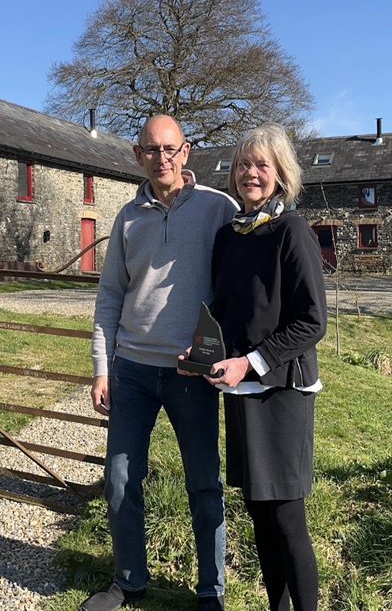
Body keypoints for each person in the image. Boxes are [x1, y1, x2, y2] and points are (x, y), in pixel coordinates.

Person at [84, 114, 238, 611]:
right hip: (130, 368)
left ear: (187, 151)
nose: (161, 158)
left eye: (170, 149)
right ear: (138, 155)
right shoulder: (127, 216)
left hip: (190, 373)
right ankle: (129, 581)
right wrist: (102, 368)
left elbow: (251, 271)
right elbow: (110, 294)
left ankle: (210, 591)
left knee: (204, 483)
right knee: (121, 479)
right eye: (151, 150)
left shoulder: (219, 208)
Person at [183, 123, 327, 611]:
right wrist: (203, 355)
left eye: (262, 164)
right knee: (258, 513)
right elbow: (227, 313)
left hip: (283, 389)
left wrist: (251, 362)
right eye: (244, 163)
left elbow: (312, 322)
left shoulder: (292, 230)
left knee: (286, 517)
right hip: (242, 390)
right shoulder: (228, 236)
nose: (251, 173)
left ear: (280, 173)